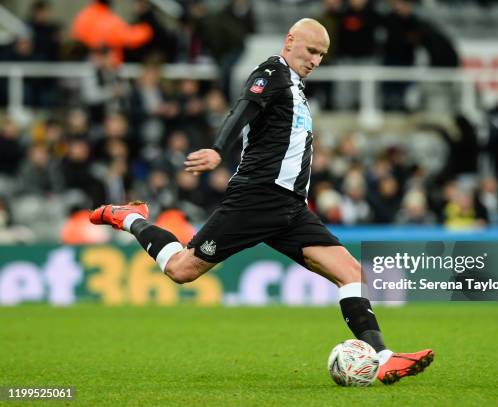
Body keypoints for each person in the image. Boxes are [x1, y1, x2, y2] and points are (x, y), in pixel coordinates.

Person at [90, 18, 434, 384]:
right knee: (181, 269)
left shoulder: (297, 88)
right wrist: (219, 149)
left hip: (290, 208)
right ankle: (129, 217)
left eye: (322, 55)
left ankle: (382, 358)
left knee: (351, 273)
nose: (316, 60)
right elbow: (243, 109)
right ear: (290, 41)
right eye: (312, 50)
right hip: (256, 198)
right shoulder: (272, 71)